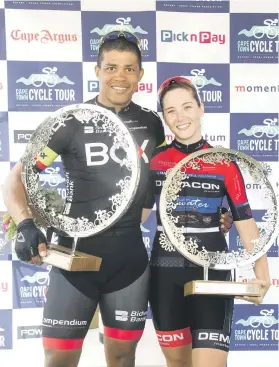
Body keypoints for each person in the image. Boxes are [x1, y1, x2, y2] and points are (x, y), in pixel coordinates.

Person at [2, 32, 232, 367]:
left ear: (140, 75)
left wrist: (213, 215)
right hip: (75, 257)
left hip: (128, 262)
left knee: (123, 358)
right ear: (97, 70)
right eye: (111, 67)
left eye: (129, 68)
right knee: (58, 359)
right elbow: (17, 177)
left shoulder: (152, 124)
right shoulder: (71, 121)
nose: (119, 77)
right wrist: (24, 223)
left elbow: (164, 184)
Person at [143, 76, 271, 367]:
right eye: (171, 110)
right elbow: (136, 216)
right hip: (164, 274)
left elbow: (245, 223)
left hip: (213, 273)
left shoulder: (224, 162)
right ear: (164, 117)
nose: (180, 116)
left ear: (201, 108)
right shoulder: (155, 160)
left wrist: (262, 275)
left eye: (187, 106)